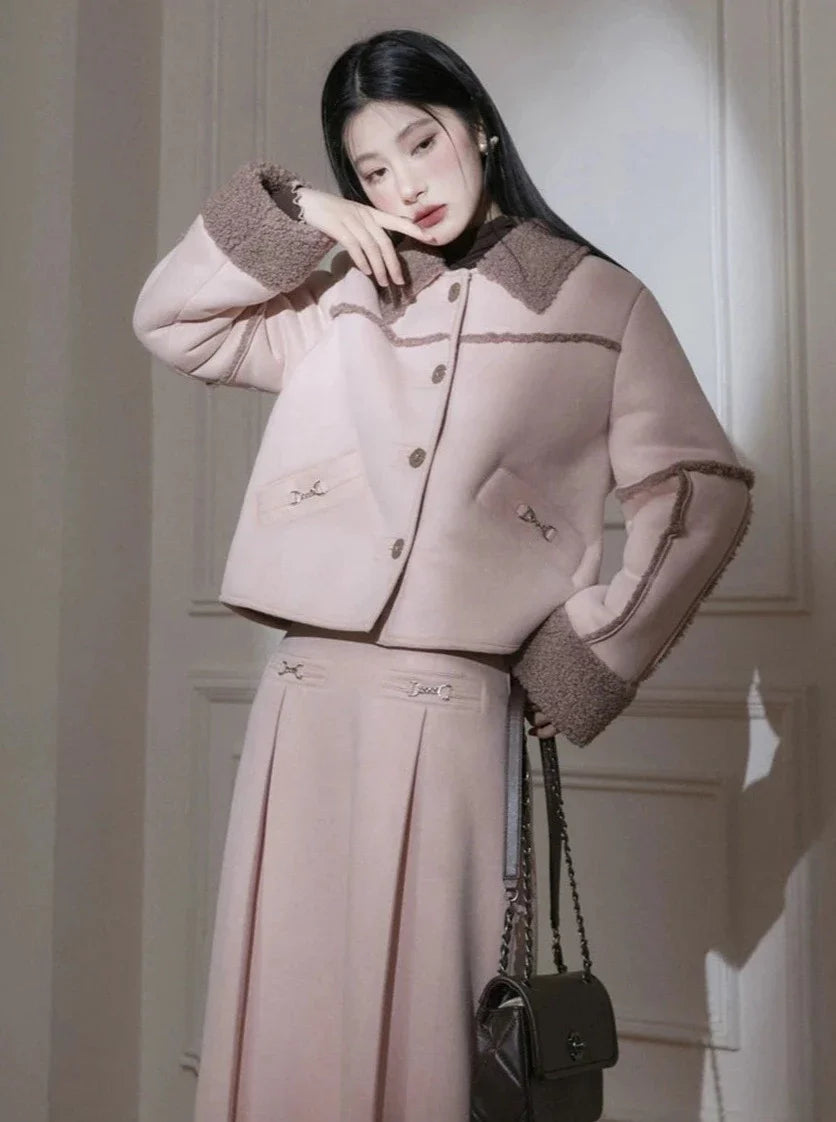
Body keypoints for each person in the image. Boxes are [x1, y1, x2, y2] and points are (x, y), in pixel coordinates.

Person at [132, 27, 755, 1122]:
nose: (404, 186)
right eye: (370, 169)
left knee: (426, 1027)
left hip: (453, 712)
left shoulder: (598, 302)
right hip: (304, 706)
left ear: (477, 126)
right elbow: (171, 321)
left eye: (420, 144)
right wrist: (299, 216)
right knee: (290, 1014)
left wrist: (588, 654)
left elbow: (699, 487)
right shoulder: (345, 295)